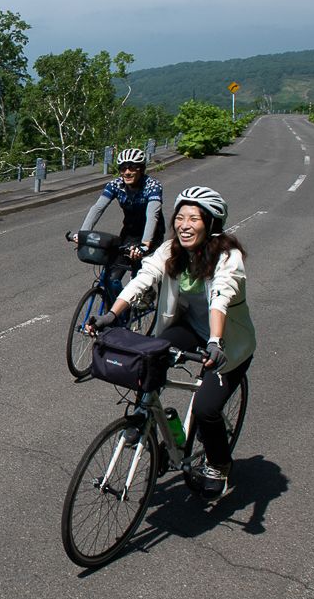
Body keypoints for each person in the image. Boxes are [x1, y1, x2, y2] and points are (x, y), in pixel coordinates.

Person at [88, 186, 256, 499]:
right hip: (189, 329)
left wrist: (216, 341)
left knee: (207, 409)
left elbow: (221, 296)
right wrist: (112, 315)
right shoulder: (170, 250)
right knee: (148, 363)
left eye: (194, 218)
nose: (184, 224)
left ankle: (219, 463)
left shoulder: (227, 257)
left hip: (227, 343)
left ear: (211, 224)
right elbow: (143, 279)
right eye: (180, 217)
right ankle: (168, 431)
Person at [78, 148, 164, 277]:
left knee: (136, 272)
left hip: (151, 234)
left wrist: (145, 244)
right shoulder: (115, 185)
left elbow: (152, 215)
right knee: (112, 272)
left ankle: (144, 292)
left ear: (141, 169)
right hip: (129, 233)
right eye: (123, 168)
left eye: (132, 168)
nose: (127, 172)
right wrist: (83, 233)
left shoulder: (152, 186)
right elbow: (98, 208)